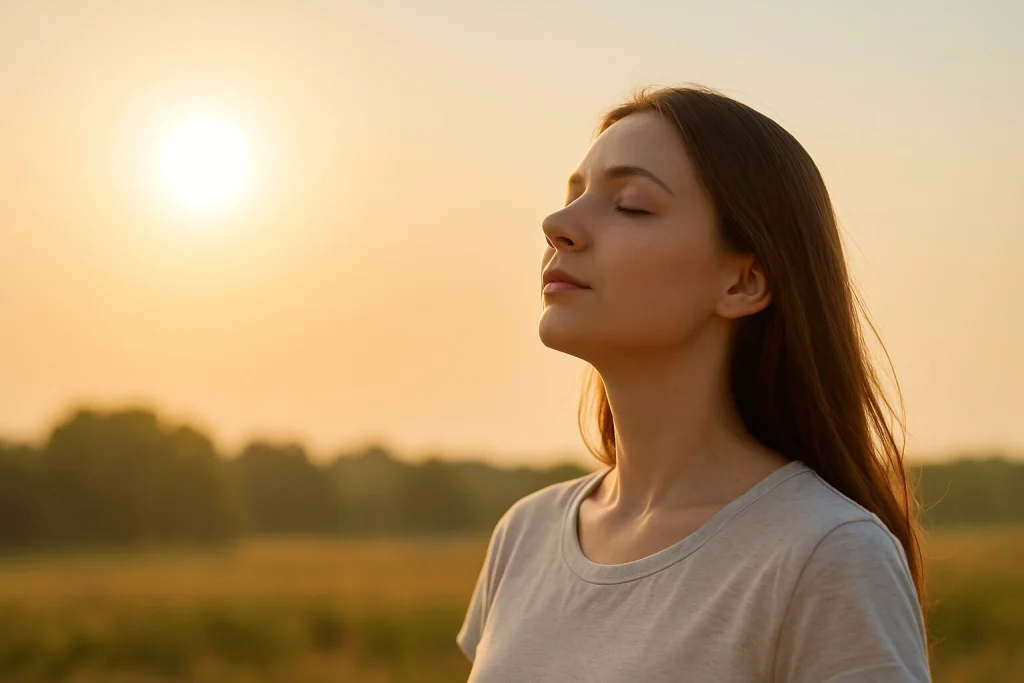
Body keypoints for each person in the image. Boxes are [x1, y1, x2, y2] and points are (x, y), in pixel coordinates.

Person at [455, 84, 932, 682]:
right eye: (573, 196)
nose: (557, 225)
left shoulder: (826, 552)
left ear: (743, 283)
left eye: (630, 205)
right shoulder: (527, 533)